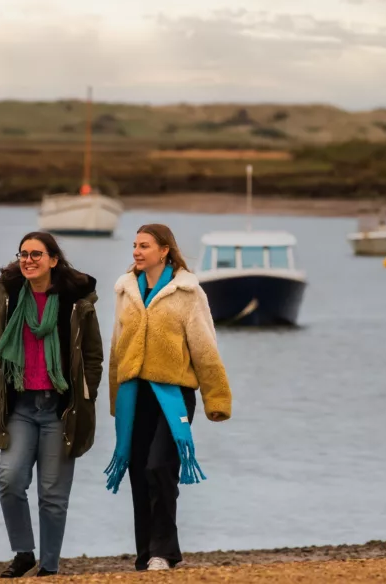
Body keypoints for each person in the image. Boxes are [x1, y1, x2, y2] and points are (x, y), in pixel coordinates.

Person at [104, 223, 232, 572]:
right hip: (135, 395)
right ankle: (146, 553)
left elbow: (205, 348)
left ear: (164, 250)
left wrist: (216, 399)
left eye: (144, 245)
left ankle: (164, 551)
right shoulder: (125, 290)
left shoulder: (188, 292)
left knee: (159, 467)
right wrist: (116, 399)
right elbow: (117, 348)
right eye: (134, 245)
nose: (136, 251)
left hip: (173, 394)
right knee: (137, 473)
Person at [0, 231, 104, 578]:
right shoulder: (11, 296)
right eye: (23, 254)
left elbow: (92, 357)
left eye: (36, 254)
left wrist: (84, 395)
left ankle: (49, 566)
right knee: (9, 479)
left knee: (52, 494)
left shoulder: (75, 301)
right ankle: (23, 552)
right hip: (20, 405)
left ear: (53, 260)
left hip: (59, 410)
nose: (28, 260)